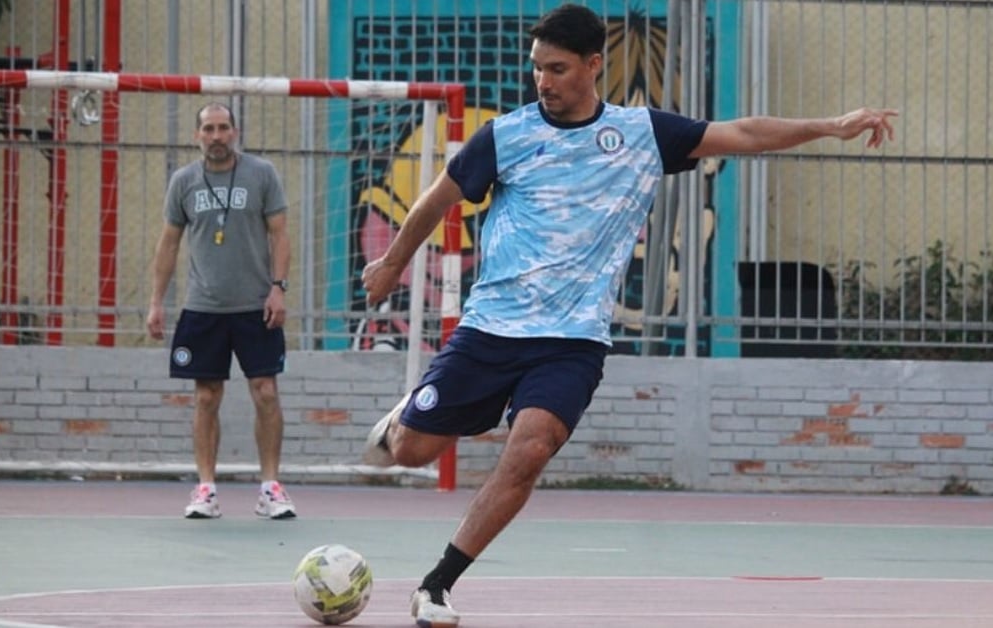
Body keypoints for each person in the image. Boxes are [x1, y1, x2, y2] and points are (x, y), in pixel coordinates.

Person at [361, 4, 898, 626]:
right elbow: (438, 196)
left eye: (558, 69)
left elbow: (744, 134)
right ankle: (406, 417)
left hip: (572, 342)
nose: (544, 81)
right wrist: (394, 262)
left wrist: (832, 125)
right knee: (411, 452)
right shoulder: (506, 137)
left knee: (529, 449)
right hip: (491, 329)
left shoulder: (643, 133)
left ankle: (436, 586)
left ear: (594, 65)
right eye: (537, 68)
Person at [146, 102, 297, 520]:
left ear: (235, 131)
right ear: (198, 135)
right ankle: (206, 488)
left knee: (265, 391)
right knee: (206, 397)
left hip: (255, 306)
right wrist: (157, 302)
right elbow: (169, 244)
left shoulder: (261, 174)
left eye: (223, 128)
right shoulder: (184, 182)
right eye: (209, 129)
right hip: (203, 308)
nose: (216, 135)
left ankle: (270, 487)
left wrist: (278, 289)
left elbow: (280, 235)